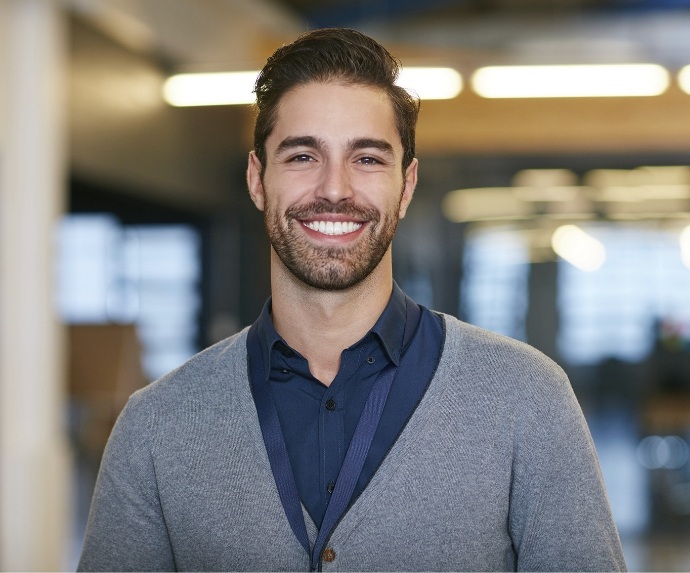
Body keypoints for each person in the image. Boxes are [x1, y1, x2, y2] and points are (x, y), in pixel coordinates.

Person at [78, 28, 626, 572]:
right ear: (257, 179)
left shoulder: (526, 398)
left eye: (367, 159)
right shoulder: (156, 426)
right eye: (301, 156)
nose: (335, 188)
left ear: (406, 186)